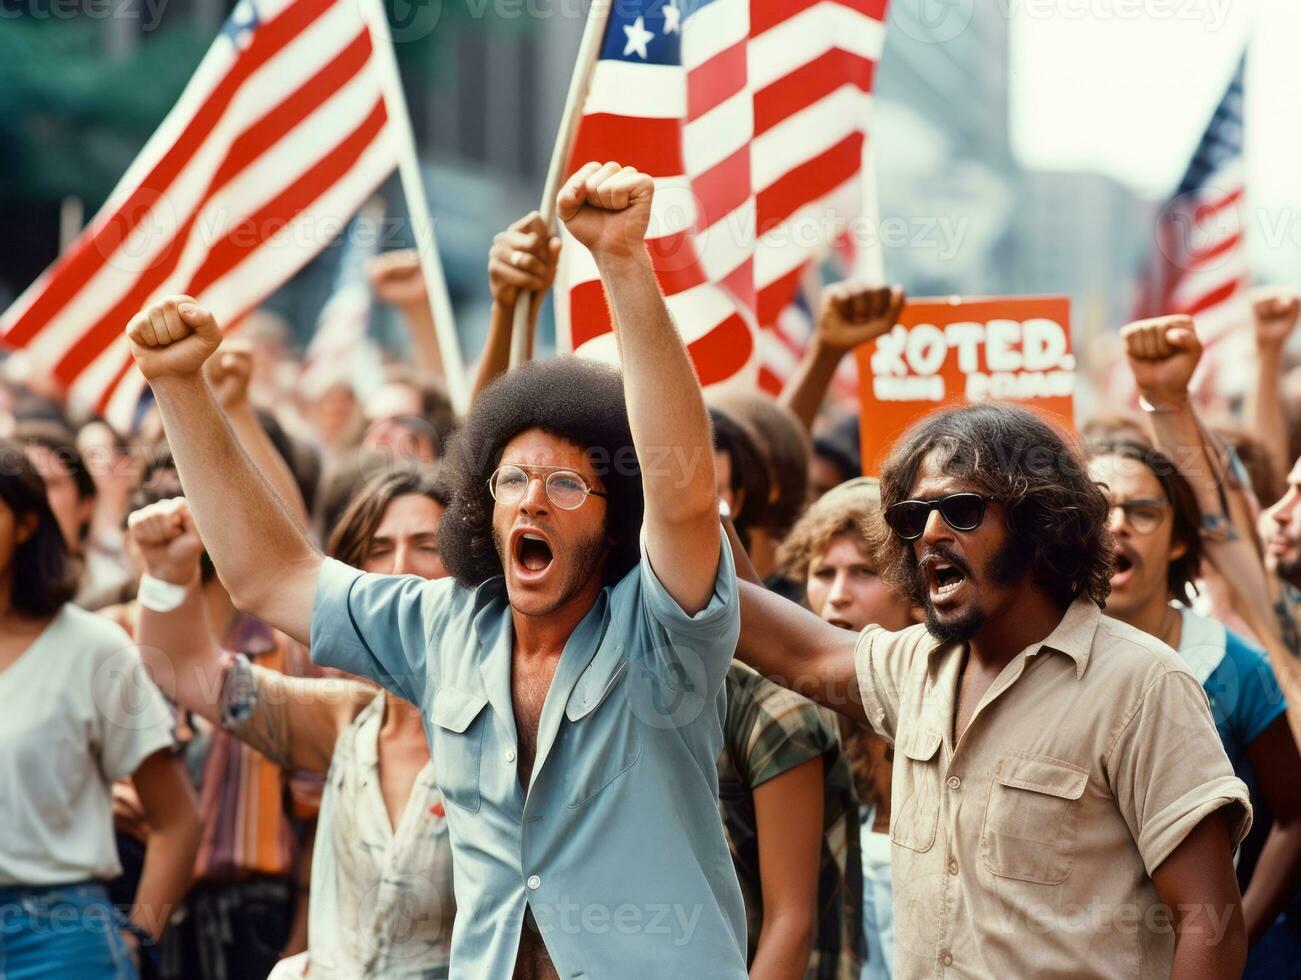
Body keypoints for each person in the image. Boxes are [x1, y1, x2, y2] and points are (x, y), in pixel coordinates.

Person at [124, 161, 747, 979]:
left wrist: (623, 263)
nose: (532, 503)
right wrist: (180, 388)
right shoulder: (441, 625)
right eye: (511, 482)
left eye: (566, 484)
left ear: (615, 518)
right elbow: (270, 577)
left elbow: (685, 495)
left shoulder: (664, 630)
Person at [733, 403, 1253, 979]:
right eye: (913, 516)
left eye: (960, 509)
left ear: (1039, 522)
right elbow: (770, 634)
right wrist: (676, 485)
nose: (930, 532)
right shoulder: (916, 668)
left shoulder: (1141, 684)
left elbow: (1210, 926)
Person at [130, 467, 455, 978]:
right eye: (377, 549)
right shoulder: (344, 721)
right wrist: (168, 575)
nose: (399, 568)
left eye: (426, 545)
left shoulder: (514, 725)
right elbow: (186, 669)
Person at [1087, 440, 1301, 973]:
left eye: (1142, 510)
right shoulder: (1034, 654)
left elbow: (1295, 815)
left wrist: (1235, 938)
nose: (1117, 526)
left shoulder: (1235, 665)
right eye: (1097, 509)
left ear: (1179, 539)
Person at [0, 438, 201, 979]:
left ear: (25, 524)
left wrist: (139, 939)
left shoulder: (93, 649)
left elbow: (177, 819)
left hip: (59, 943)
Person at [776, 479, 917, 980]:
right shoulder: (796, 725)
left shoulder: (955, 713)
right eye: (823, 572)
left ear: (916, 588)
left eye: (863, 571)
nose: (837, 596)